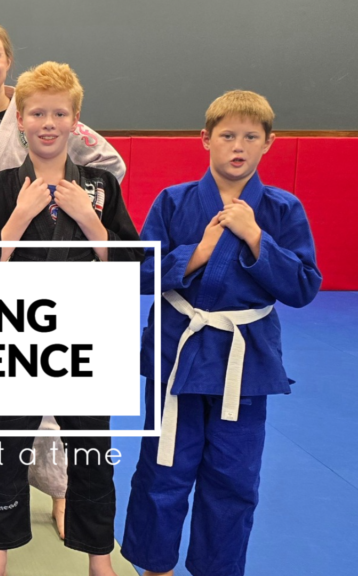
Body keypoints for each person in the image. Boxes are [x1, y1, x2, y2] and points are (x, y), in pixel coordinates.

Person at [121, 90, 322, 576]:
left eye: (251, 137)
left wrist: (256, 237)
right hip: (178, 352)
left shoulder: (281, 209)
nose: (239, 146)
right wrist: (200, 251)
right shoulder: (174, 201)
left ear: (268, 144)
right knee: (164, 468)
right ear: (205, 140)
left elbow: (302, 286)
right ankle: (155, 567)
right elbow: (138, 274)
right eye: (228, 135)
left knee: (234, 477)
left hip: (245, 361)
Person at [0, 15, 127, 533]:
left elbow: (109, 169)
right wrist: (9, 222)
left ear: (8, 64)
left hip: (60, 276)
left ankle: (60, 493)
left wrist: (84, 209)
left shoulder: (43, 114)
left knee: (71, 419)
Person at [0, 61, 141, 576]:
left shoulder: (102, 186)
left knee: (91, 449)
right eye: (37, 112)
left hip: (85, 334)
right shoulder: (0, 188)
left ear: (75, 120)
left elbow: (133, 265)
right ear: (19, 119)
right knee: (6, 446)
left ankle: (99, 559)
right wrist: (17, 220)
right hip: (16, 333)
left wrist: (91, 221)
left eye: (58, 113)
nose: (47, 122)